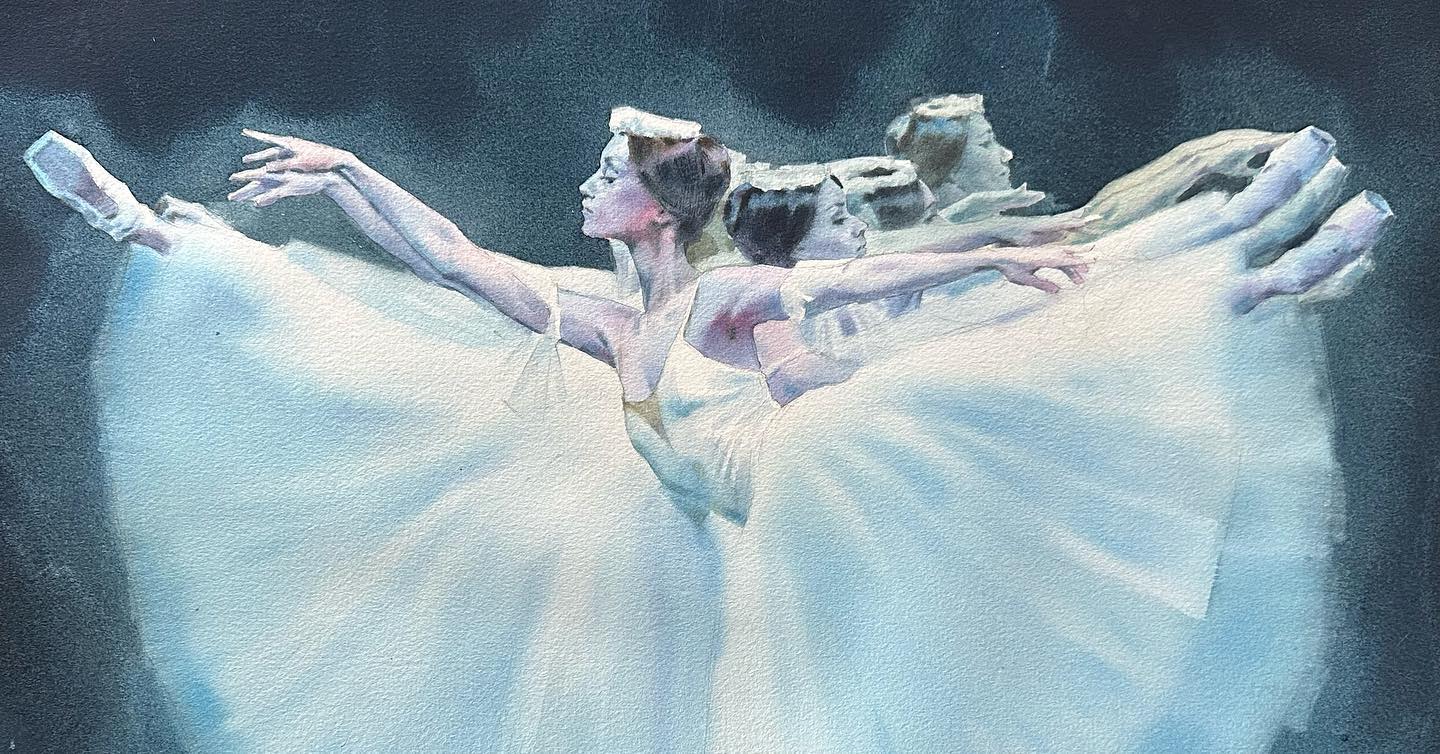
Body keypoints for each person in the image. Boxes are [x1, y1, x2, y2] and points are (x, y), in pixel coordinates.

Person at [25, 104, 1391, 751]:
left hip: (818, 469)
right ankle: (145, 230)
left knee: (1000, 366)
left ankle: (1254, 250)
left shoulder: (724, 296)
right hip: (735, 534)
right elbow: (450, 260)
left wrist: (978, 259)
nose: (584, 185)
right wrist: (346, 174)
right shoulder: (605, 318)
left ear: (656, 207)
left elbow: (849, 284)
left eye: (604, 174)